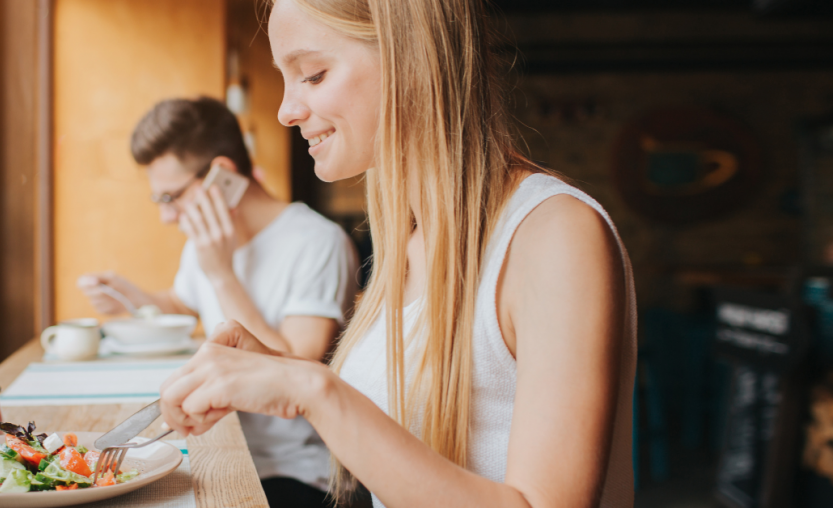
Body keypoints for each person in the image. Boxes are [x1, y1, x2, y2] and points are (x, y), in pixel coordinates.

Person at [158, 1, 637, 507]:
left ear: (412, 61)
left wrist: (314, 390)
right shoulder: (410, 240)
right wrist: (275, 371)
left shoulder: (554, 234)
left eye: (313, 75)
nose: (286, 111)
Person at [78, 97, 358, 508]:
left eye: (170, 197)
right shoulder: (204, 245)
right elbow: (183, 301)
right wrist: (130, 296)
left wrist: (223, 273)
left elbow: (295, 365)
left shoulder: (318, 242)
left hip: (297, 473)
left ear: (222, 175)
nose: (167, 217)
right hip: (221, 448)